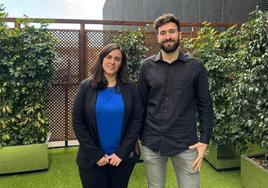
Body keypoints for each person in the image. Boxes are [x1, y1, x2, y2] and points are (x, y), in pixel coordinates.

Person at [138, 13, 214, 188]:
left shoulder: (196, 66)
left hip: (186, 143)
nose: (168, 36)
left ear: (180, 34)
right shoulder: (146, 66)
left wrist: (204, 140)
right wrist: (137, 137)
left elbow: (205, 105)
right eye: (163, 33)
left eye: (172, 31)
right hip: (152, 142)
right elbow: (140, 105)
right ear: (157, 37)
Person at [72, 43, 143, 188]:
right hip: (92, 160)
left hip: (121, 160)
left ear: (121, 63)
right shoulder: (86, 87)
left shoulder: (130, 87)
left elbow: (137, 120)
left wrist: (121, 153)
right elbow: (78, 122)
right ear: (101, 59)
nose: (112, 62)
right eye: (109, 57)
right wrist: (95, 154)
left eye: (117, 59)